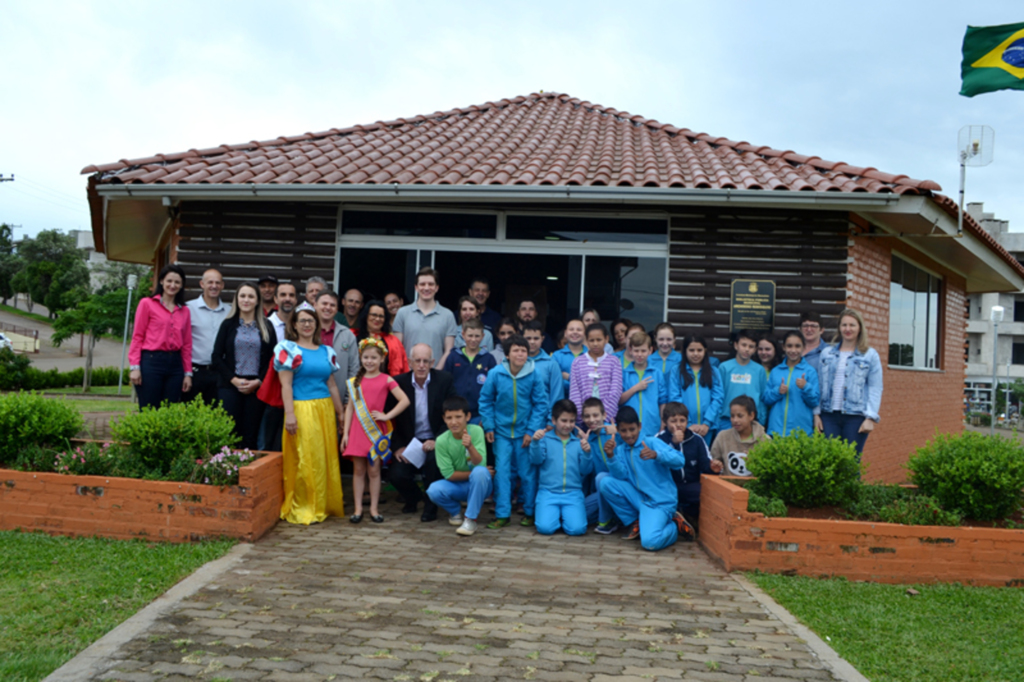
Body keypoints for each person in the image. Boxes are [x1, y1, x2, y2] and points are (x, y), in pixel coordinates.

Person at [276, 307, 345, 525]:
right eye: (302, 321)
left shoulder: (327, 351)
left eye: (311, 321)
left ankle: (323, 504)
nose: (307, 324)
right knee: (306, 459)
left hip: (324, 409)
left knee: (324, 459)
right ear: (294, 324)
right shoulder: (288, 349)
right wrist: (289, 415)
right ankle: (305, 506)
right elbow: (285, 385)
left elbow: (332, 384)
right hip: (302, 408)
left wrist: (340, 413)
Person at [598, 406, 694, 550]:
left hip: (659, 502)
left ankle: (674, 525)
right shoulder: (621, 449)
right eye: (623, 430)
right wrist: (611, 456)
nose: (628, 434)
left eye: (632, 429)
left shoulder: (651, 442)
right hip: (639, 498)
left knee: (650, 542)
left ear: (640, 426)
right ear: (617, 430)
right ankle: (635, 521)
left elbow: (680, 460)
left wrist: (657, 455)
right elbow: (620, 476)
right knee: (605, 482)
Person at [478, 334, 548, 529]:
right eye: (516, 350)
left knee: (527, 474)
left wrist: (531, 430)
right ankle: (502, 514)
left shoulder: (534, 374)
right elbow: (485, 401)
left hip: (525, 433)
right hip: (501, 433)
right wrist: (489, 425)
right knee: (502, 473)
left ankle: (530, 512)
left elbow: (540, 404)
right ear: (507, 354)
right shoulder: (495, 374)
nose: (520, 354)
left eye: (523, 350)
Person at [342, 338, 410, 523]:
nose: (369, 361)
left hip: (376, 432)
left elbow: (404, 400)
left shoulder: (387, 379)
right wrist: (346, 433)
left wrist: (387, 416)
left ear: (382, 359)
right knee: (358, 470)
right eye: (366, 357)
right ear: (361, 358)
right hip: (357, 430)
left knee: (374, 471)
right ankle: (357, 509)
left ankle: (373, 508)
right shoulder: (355, 381)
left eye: (373, 357)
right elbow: (350, 408)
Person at [389, 344, 458, 521]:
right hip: (409, 441)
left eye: (425, 361)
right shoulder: (399, 383)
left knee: (433, 465)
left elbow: (452, 415)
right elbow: (391, 420)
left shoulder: (444, 380)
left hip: (435, 439)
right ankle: (413, 498)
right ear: (410, 362)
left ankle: (430, 507)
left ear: (432, 362)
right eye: (417, 361)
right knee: (396, 474)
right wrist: (397, 447)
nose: (421, 365)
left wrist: (438, 441)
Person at [211, 282, 275, 449]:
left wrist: (258, 382)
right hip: (230, 387)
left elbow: (271, 359)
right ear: (237, 299)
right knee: (230, 433)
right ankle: (229, 470)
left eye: (251, 296)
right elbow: (216, 357)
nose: (246, 300)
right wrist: (234, 380)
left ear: (257, 301)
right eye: (243, 296)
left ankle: (249, 473)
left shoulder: (267, 327)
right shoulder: (227, 325)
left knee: (250, 435)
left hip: (256, 389)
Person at [815, 308, 883, 458]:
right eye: (844, 325)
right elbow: (819, 385)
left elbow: (875, 387)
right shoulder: (827, 353)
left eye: (852, 325)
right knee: (830, 461)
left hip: (856, 417)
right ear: (839, 328)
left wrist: (870, 417)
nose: (848, 329)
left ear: (860, 328)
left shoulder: (870, 355)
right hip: (828, 415)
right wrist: (816, 413)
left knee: (851, 462)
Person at [425, 396, 494, 535]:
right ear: (444, 419)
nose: (454, 422)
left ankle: (470, 520)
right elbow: (448, 475)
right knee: (433, 490)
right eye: (449, 418)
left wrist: (470, 446)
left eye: (458, 417)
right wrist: (472, 474)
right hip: (458, 486)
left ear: (468, 416)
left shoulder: (476, 431)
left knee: (480, 472)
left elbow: (479, 464)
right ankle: (455, 512)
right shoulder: (441, 440)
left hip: (481, 485)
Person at [129, 264, 193, 410]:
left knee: (169, 411)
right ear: (162, 281)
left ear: (182, 285)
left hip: (175, 365)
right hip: (151, 362)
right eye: (169, 281)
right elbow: (137, 336)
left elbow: (187, 344)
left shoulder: (185, 311)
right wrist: (135, 367)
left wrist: (187, 373)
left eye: (177, 282)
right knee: (149, 409)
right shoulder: (147, 304)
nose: (173, 285)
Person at [529, 400, 593, 536]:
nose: (568, 425)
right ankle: (556, 516)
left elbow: (585, 471)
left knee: (577, 529)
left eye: (572, 421)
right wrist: (535, 442)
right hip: (548, 492)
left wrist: (587, 453)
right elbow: (536, 460)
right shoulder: (545, 439)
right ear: (553, 420)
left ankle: (563, 516)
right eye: (564, 420)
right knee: (545, 528)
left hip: (573, 493)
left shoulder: (578, 442)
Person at [658, 402, 713, 531]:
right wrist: (673, 443)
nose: (678, 424)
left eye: (682, 420)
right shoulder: (659, 439)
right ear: (665, 422)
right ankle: (673, 520)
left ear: (687, 421)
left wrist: (713, 468)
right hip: (667, 486)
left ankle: (690, 516)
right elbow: (658, 462)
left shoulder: (697, 440)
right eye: (673, 421)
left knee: (705, 493)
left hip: (690, 485)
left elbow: (705, 465)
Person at [258, 281, 299, 451]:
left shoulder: (303, 326)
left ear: (296, 300)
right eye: (283, 295)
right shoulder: (264, 325)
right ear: (275, 299)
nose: (287, 299)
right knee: (267, 440)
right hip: (270, 390)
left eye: (291, 295)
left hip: (297, 390)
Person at [393, 267, 458, 370]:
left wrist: (436, 373)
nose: (426, 288)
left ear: (437, 288)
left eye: (431, 284)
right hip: (408, 376)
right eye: (422, 284)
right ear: (416, 287)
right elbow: (396, 349)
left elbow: (448, 351)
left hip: (436, 377)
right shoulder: (403, 313)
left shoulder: (447, 315)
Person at [763, 331, 821, 438]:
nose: (793, 350)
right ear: (783, 347)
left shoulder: (810, 371)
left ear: (803, 347)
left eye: (797, 346)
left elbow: (814, 401)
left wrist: (806, 387)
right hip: (776, 431)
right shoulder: (776, 371)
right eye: (789, 346)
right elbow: (766, 399)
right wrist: (777, 391)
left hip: (801, 432)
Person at [184, 268, 228, 405]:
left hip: (220, 374)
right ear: (202, 284)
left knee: (217, 416)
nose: (214, 286)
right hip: (195, 372)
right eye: (210, 282)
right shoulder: (188, 308)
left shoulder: (230, 311)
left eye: (217, 283)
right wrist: (186, 374)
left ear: (222, 285)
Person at [670, 336, 723, 446]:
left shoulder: (713, 371)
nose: (695, 354)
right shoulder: (677, 371)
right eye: (691, 350)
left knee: (705, 458)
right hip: (684, 426)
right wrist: (687, 423)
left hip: (708, 427)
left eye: (699, 350)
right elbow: (675, 398)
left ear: (705, 351)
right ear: (685, 351)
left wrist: (707, 423)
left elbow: (718, 398)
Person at [442, 317, 496, 421]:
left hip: (480, 414)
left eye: (477, 336)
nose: (473, 339)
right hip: (456, 413)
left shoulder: (489, 359)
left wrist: (487, 416)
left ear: (483, 336)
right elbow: (445, 384)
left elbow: (494, 388)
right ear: (463, 335)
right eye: (470, 335)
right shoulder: (453, 357)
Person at [568, 323, 623, 424]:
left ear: (606, 339)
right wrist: (584, 418)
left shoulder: (614, 362)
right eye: (591, 340)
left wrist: (603, 417)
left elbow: (615, 391)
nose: (595, 344)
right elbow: (574, 393)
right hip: (584, 421)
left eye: (599, 340)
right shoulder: (577, 362)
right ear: (586, 340)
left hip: (607, 419)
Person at [716, 330, 767, 434]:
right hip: (727, 420)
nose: (747, 349)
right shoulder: (724, 368)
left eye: (751, 346)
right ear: (736, 345)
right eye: (743, 345)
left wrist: (761, 420)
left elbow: (762, 397)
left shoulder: (759, 370)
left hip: (751, 421)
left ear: (755, 349)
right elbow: (718, 395)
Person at [580, 398, 618, 534]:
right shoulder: (587, 440)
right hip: (600, 492)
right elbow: (585, 471)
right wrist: (586, 453)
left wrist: (618, 432)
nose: (591, 420)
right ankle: (613, 515)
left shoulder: (615, 431)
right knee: (579, 513)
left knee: (601, 478)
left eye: (595, 415)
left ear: (604, 415)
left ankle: (608, 520)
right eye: (587, 416)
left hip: (620, 485)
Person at [619, 331, 667, 437]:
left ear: (650, 350)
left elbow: (662, 400)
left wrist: (663, 422)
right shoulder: (624, 373)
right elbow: (618, 400)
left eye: (643, 351)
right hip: (629, 429)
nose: (639, 354)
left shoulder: (657, 373)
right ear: (630, 350)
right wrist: (635, 388)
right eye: (636, 351)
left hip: (652, 426)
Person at [710, 396, 770, 477]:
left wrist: (756, 462)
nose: (735, 420)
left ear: (751, 415)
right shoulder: (723, 437)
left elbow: (769, 470)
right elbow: (714, 462)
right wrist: (715, 466)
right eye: (732, 416)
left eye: (740, 416)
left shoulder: (765, 440)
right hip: (728, 487)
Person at [357, 299, 409, 377]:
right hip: (357, 384)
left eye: (381, 316)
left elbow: (403, 369)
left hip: (386, 386)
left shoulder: (393, 341)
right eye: (374, 315)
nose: (377, 319)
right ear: (366, 316)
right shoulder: (353, 336)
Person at [522, 319, 563, 411]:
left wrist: (550, 420)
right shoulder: (515, 362)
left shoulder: (551, 364)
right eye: (528, 338)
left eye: (536, 338)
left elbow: (557, 396)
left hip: (543, 420)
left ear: (542, 339)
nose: (532, 342)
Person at [552, 318, 586, 398]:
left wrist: (568, 377)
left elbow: (591, 383)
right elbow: (555, 382)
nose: (575, 332)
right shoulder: (556, 356)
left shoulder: (591, 355)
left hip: (585, 403)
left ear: (585, 334)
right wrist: (579, 383)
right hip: (562, 401)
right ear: (565, 334)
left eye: (579, 329)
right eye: (571, 329)